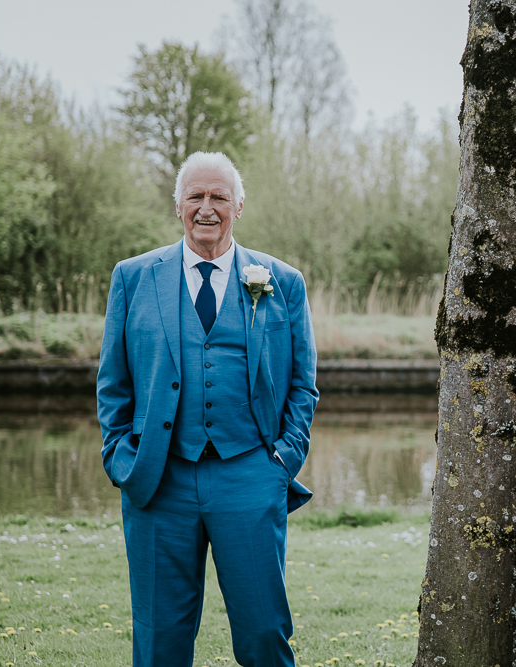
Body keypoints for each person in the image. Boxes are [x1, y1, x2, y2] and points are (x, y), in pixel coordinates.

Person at [97, 151, 319, 667]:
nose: (206, 207)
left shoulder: (282, 282)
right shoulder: (133, 278)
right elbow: (113, 383)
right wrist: (121, 458)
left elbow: (302, 384)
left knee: (265, 633)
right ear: (178, 206)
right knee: (159, 642)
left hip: (250, 474)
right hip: (159, 478)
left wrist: (282, 460)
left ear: (239, 206)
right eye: (195, 196)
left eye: (219, 196)